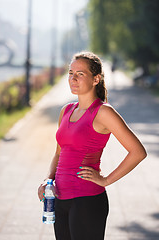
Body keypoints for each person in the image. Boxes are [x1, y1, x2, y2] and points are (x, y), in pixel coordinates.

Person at [38, 51, 147, 240]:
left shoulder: (103, 112)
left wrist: (106, 180)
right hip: (59, 198)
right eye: (71, 73)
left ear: (96, 79)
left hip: (86, 200)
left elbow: (138, 152)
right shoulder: (66, 110)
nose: (73, 78)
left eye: (80, 74)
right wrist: (48, 180)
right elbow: (59, 152)